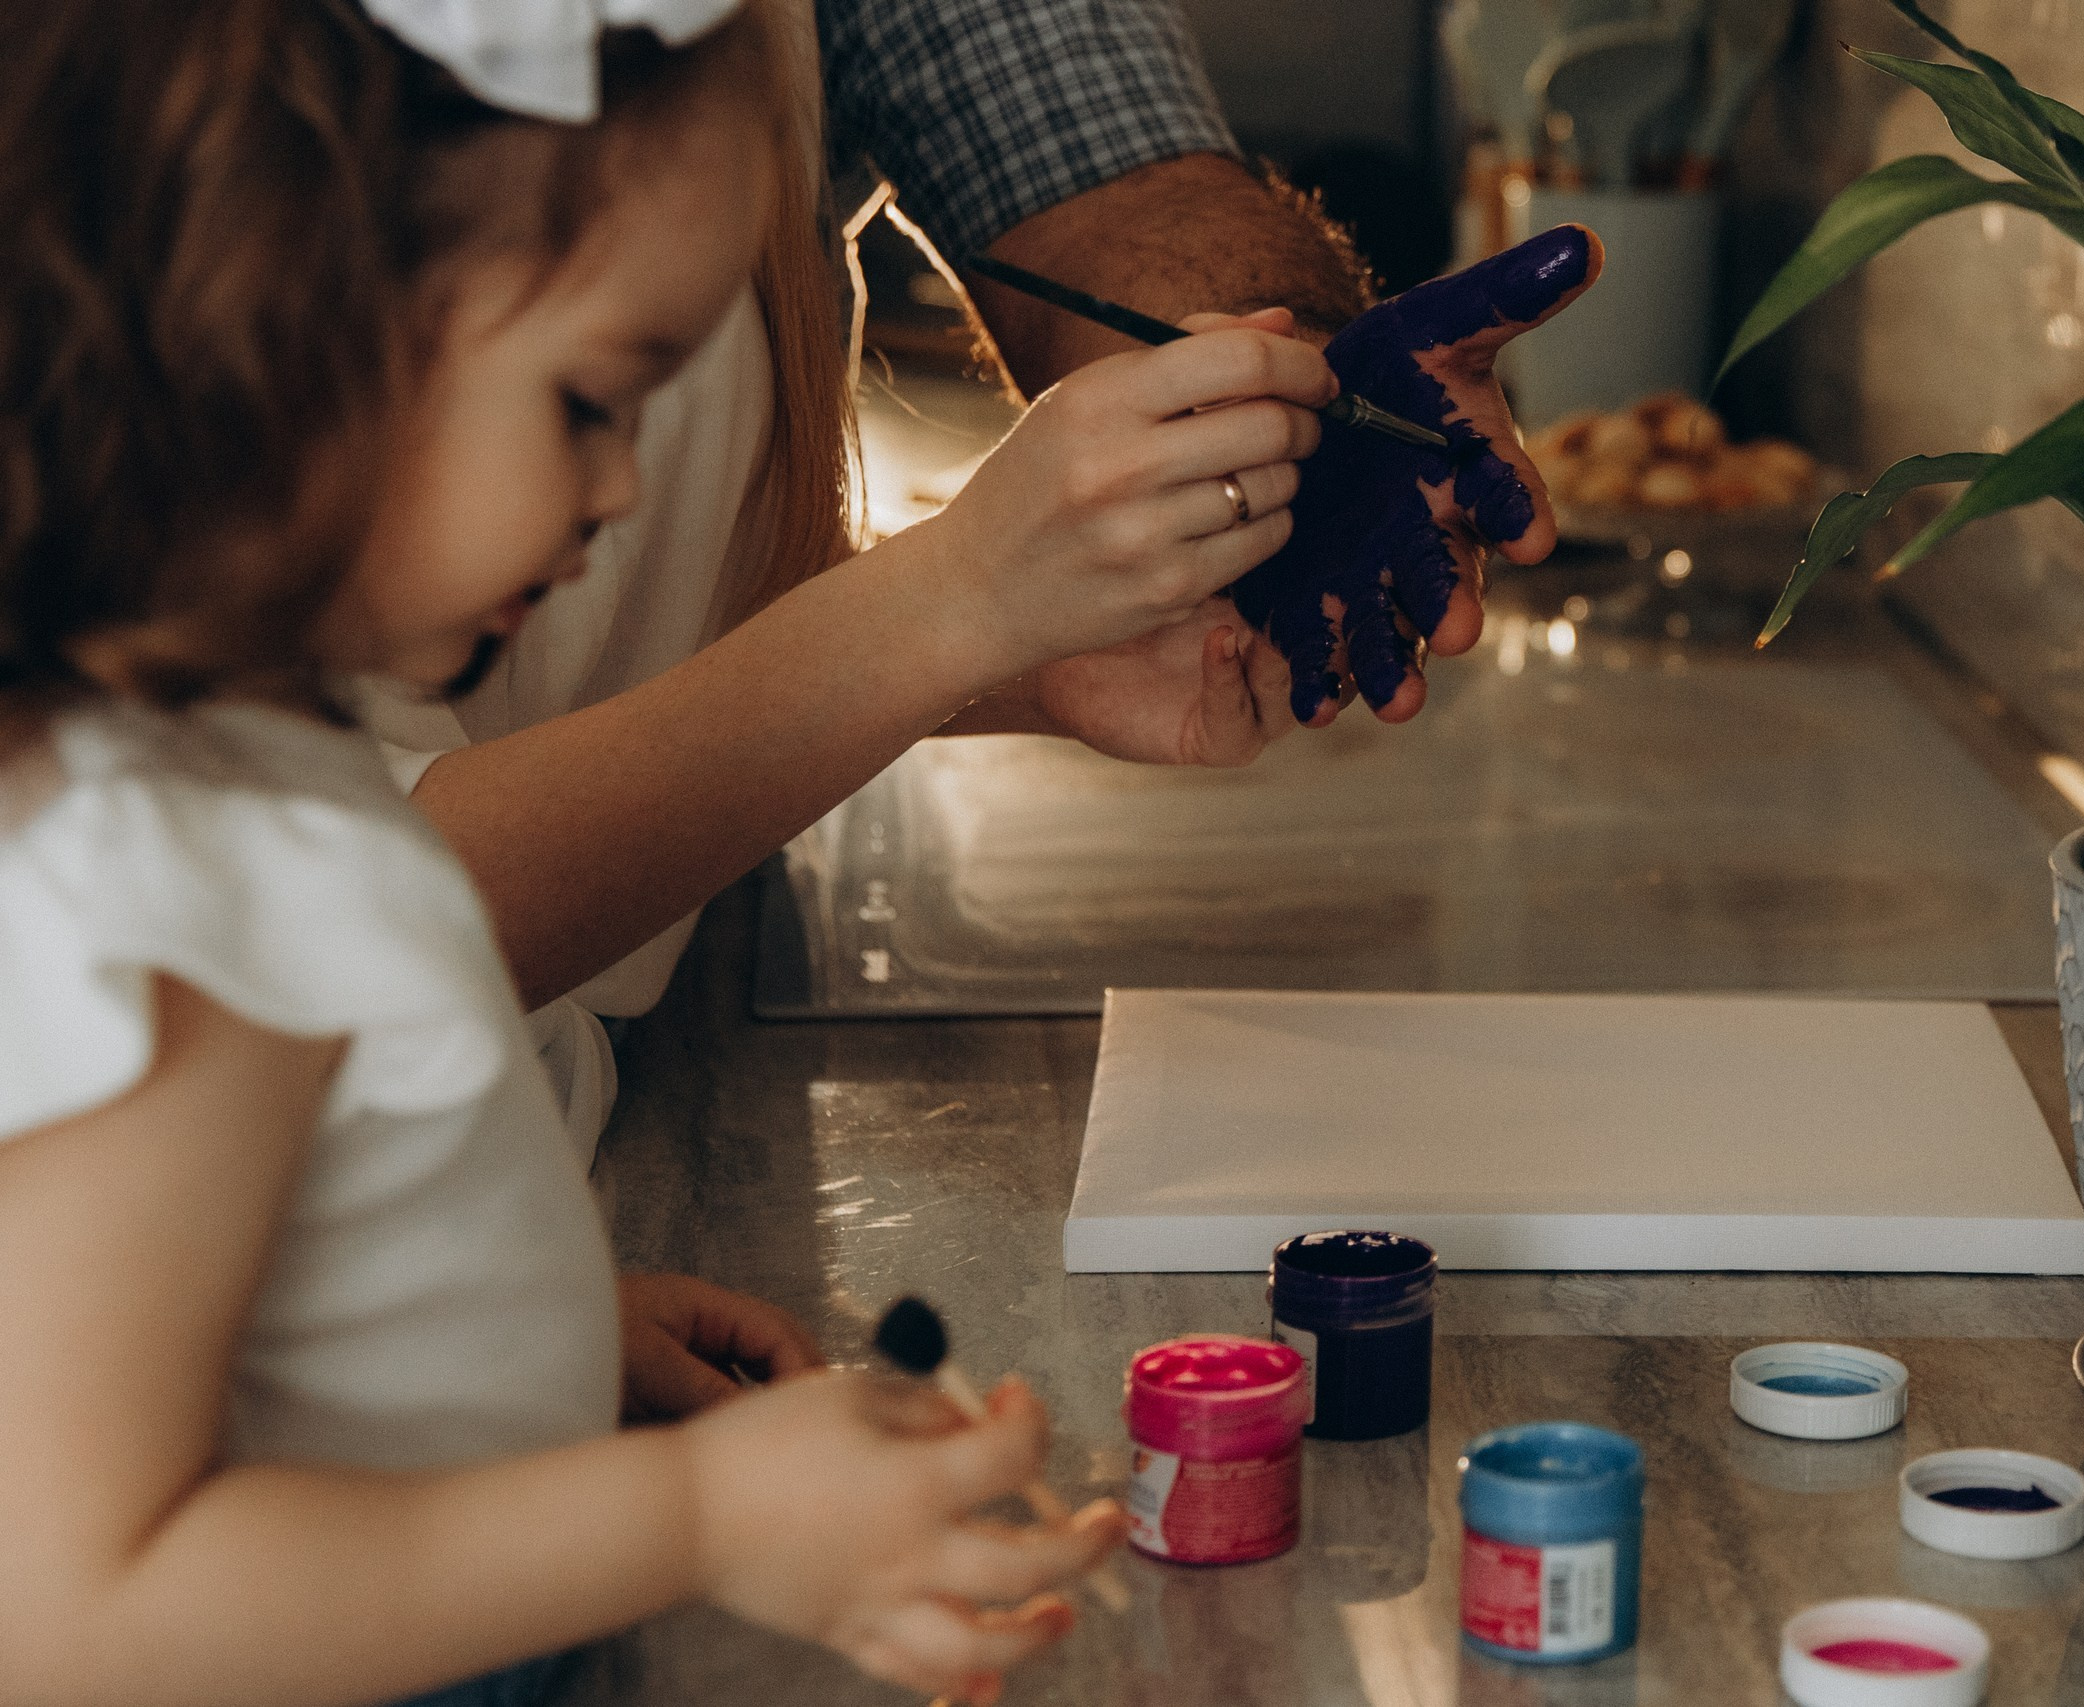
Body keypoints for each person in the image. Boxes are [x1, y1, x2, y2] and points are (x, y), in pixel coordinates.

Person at [0, 0, 1347, 1697]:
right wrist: (694, 1517)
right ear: (288, 329)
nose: (626, 492)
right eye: (587, 402)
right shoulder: (211, 894)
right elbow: (67, 1612)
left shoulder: (202, 780)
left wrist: (498, 1331)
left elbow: (189, 1329)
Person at [365, 0, 1598, 1162]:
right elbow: (350, 916)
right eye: (588, 402)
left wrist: (1275, 403)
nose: (620, 491)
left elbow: (1069, 129)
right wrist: (950, 605)